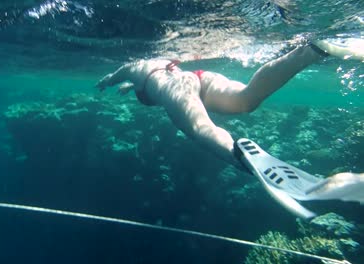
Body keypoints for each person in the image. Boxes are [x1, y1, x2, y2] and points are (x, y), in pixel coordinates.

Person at [96, 40, 364, 218]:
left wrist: (108, 81)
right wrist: (130, 85)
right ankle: (310, 51)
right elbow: (140, 73)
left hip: (173, 89)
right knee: (246, 99)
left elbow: (123, 70)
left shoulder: (136, 67)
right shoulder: (150, 64)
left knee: (201, 128)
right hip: (197, 78)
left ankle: (237, 155)